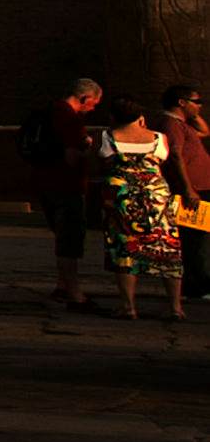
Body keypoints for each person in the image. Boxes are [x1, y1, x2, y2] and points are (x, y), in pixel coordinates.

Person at [21, 75, 109, 305]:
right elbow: (72, 156)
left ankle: (62, 285)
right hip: (65, 184)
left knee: (62, 235)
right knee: (70, 239)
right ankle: (74, 291)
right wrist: (88, 148)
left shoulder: (48, 111)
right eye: (93, 104)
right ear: (84, 97)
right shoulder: (69, 119)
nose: (92, 109)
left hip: (43, 180)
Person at [96, 101, 186, 324]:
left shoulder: (107, 137)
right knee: (167, 247)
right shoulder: (158, 138)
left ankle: (128, 306)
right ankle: (175, 307)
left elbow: (101, 165)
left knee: (125, 248)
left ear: (113, 117)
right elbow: (165, 159)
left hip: (122, 199)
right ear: (140, 116)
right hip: (156, 198)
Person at [165, 85, 210, 308]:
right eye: (196, 101)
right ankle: (196, 285)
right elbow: (175, 154)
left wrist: (195, 112)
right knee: (195, 240)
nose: (200, 105)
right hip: (193, 189)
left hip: (201, 187)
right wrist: (188, 188)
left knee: (200, 238)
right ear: (181, 102)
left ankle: (197, 283)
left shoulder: (182, 124)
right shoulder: (172, 124)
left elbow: (205, 131)